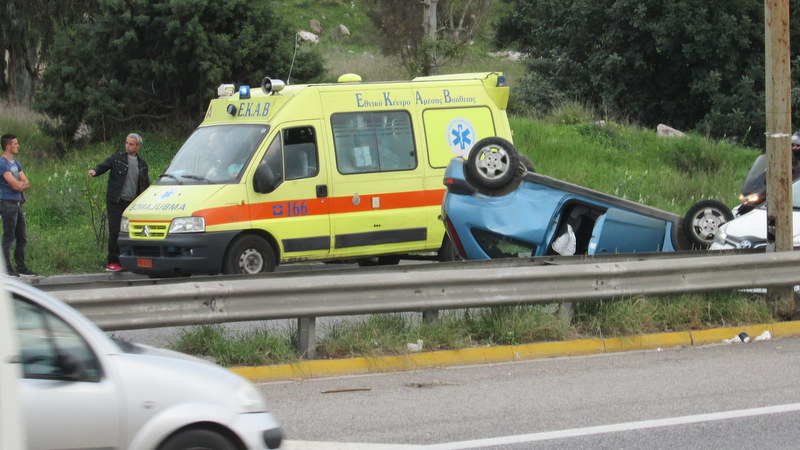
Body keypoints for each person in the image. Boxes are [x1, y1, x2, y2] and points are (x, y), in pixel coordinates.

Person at [88, 133, 150, 272]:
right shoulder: (117, 158)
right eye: (126, 143)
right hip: (116, 201)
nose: (127, 146)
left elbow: (145, 184)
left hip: (132, 204)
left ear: (138, 146)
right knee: (115, 231)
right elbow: (104, 165)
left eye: (131, 144)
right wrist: (94, 171)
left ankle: (127, 261)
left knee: (131, 232)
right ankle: (112, 261)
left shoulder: (142, 164)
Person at [0, 134, 35, 277]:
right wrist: (19, 185)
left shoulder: (16, 163)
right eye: (15, 143)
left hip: (18, 203)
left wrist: (20, 185)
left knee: (22, 237)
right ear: (8, 146)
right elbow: (14, 184)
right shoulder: (3, 163)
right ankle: (6, 268)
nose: (18, 145)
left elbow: (26, 182)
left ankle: (21, 266)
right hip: (7, 203)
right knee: (9, 237)